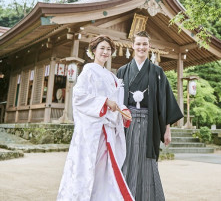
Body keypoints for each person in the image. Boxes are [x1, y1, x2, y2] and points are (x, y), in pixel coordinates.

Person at [57, 35, 134, 201]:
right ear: (94, 51)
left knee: (105, 169)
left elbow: (117, 101)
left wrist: (123, 110)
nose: (105, 52)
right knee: (91, 168)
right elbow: (79, 96)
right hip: (94, 130)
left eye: (108, 49)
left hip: (108, 128)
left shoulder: (112, 76)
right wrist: (104, 101)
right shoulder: (88, 70)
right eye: (102, 48)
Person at [117, 31, 183, 201]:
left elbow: (165, 102)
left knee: (147, 162)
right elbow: (115, 101)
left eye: (145, 44)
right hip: (127, 123)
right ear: (132, 46)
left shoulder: (157, 72)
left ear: (149, 46)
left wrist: (167, 130)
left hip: (149, 123)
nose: (141, 47)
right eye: (138, 44)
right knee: (126, 160)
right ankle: (124, 196)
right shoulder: (122, 71)